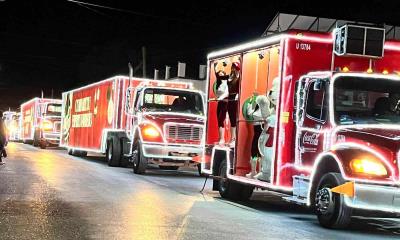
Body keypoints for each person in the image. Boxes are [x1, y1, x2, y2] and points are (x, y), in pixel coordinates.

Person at [215, 60, 241, 147]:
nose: (234, 69)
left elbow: (240, 88)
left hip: (235, 99)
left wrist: (237, 96)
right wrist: (215, 69)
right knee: (230, 118)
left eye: (235, 68)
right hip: (230, 98)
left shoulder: (239, 76)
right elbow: (220, 77)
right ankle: (230, 139)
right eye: (233, 67)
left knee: (233, 119)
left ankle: (233, 139)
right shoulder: (230, 76)